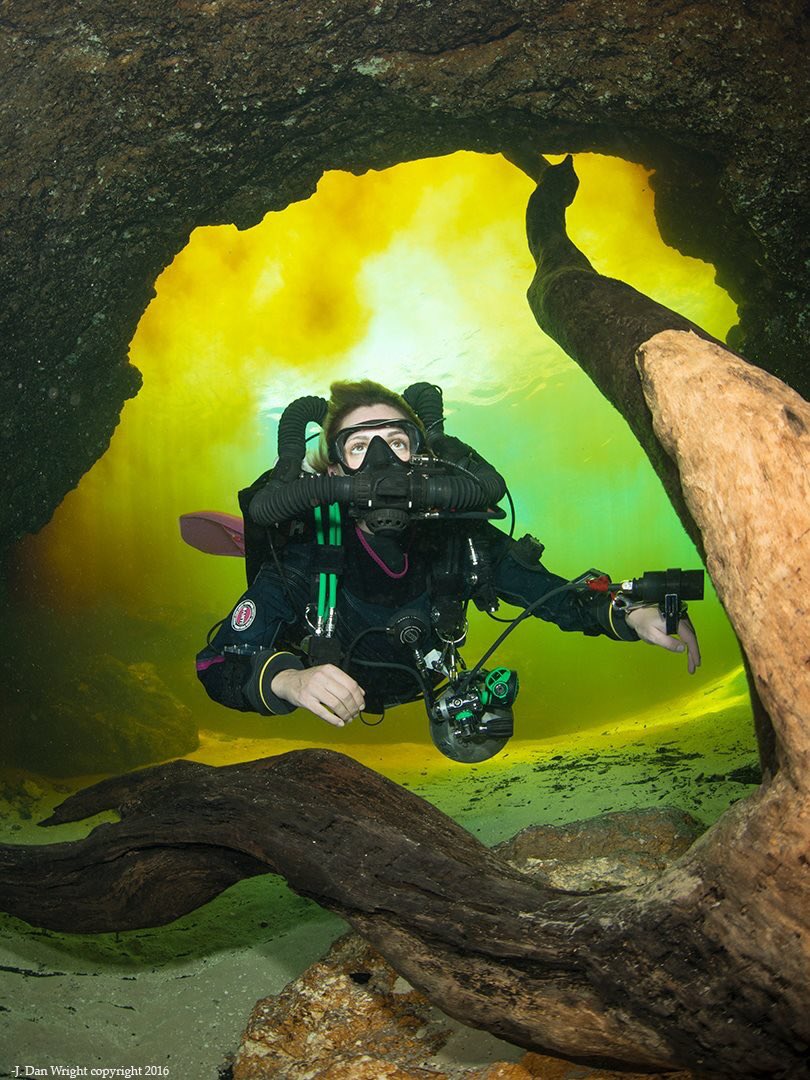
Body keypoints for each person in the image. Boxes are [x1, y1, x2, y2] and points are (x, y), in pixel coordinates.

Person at [196, 380, 700, 729]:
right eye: (359, 447)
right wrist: (288, 679)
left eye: (397, 441)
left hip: (435, 679)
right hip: (339, 665)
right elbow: (216, 663)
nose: (381, 461)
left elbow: (555, 596)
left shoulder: (462, 539)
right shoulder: (310, 553)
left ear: (425, 458)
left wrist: (633, 613)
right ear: (333, 473)